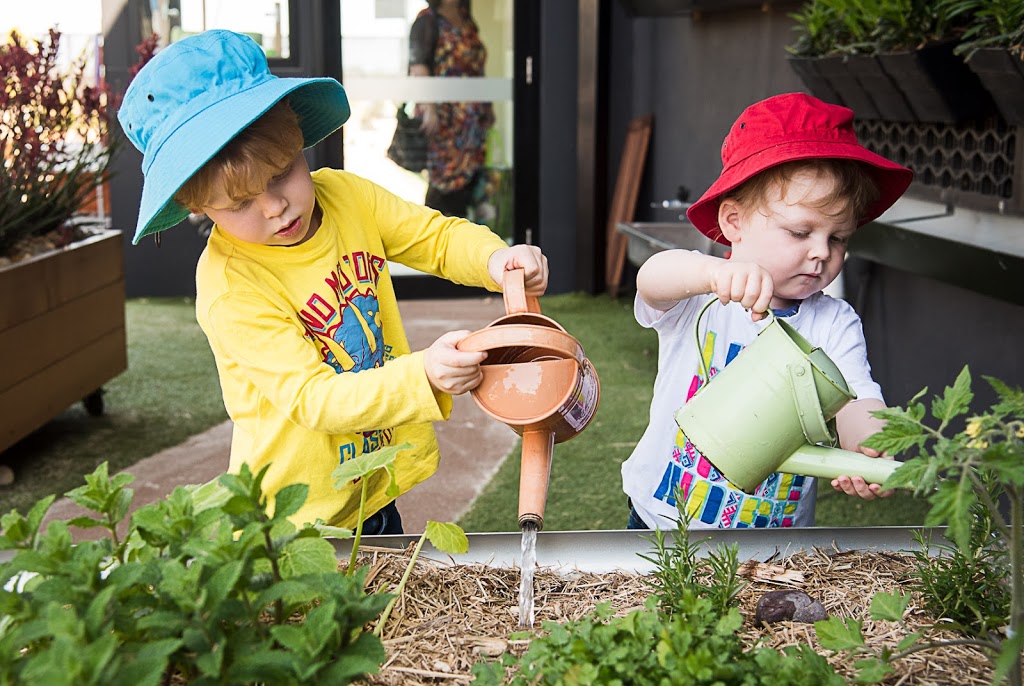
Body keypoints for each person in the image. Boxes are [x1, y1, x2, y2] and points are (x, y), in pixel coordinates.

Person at [118, 30, 548, 533]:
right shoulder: (231, 286)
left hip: (369, 480)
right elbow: (313, 398)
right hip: (297, 516)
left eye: (281, 174)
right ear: (196, 207)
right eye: (239, 204)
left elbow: (434, 237)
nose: (274, 207)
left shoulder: (346, 196)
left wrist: (497, 260)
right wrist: (423, 374)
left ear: (300, 141)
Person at [621, 93, 913, 531]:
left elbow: (857, 398)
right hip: (663, 521)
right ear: (735, 222)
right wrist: (711, 273)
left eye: (838, 239)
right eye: (800, 232)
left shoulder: (832, 323)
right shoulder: (702, 297)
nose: (821, 253)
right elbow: (652, 278)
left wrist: (870, 446)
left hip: (776, 540)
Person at [408, 0, 494, 219]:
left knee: (468, 187)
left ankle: (464, 244)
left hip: (472, 121)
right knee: (444, 186)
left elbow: (477, 68)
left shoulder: (466, 18)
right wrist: (429, 109)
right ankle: (432, 244)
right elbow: (418, 67)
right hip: (445, 120)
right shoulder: (427, 20)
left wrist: (487, 106)